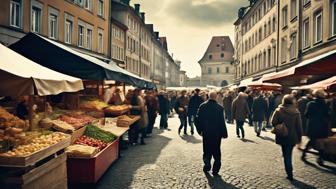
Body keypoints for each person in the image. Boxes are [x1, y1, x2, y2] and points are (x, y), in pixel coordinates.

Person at [195, 91, 228, 176]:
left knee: (207, 150)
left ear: (208, 97)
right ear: (216, 97)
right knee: (216, 151)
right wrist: (224, 133)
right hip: (217, 134)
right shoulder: (220, 108)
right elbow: (222, 122)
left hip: (206, 133)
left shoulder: (202, 106)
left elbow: (197, 120)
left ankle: (207, 163)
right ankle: (216, 169)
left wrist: (200, 130)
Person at [271, 95, 302, 181]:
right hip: (292, 136)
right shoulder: (296, 112)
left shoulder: (278, 110)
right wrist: (299, 138)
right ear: (292, 102)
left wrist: (280, 125)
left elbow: (273, 122)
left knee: (286, 155)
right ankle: (290, 172)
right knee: (289, 154)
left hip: (282, 135)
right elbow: (299, 127)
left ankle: (289, 173)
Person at [302, 89, 330, 164]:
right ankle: (320, 158)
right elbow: (328, 115)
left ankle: (304, 153)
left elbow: (306, 115)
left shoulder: (310, 104)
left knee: (312, 140)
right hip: (323, 126)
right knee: (321, 141)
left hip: (313, 125)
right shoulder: (326, 104)